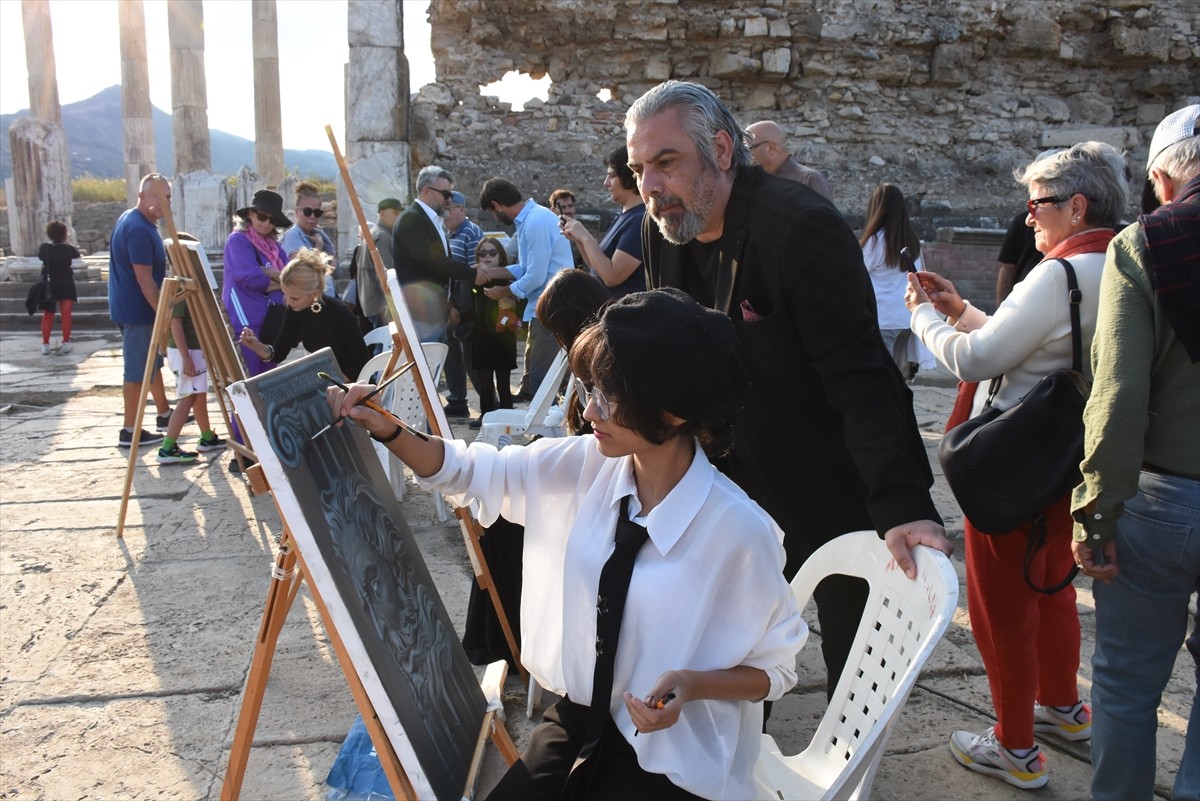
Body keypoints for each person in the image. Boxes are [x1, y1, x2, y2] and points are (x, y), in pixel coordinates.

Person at [329, 288, 807, 801]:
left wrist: (690, 685)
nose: (590, 407)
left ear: (670, 413)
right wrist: (385, 427)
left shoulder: (738, 531)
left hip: (675, 752)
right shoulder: (587, 465)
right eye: (590, 387)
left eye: (610, 394)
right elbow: (468, 468)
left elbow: (775, 668)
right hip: (583, 719)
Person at [627, 80, 949, 699]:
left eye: (666, 163)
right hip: (728, 482)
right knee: (726, 643)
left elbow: (859, 372)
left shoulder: (799, 226)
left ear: (722, 150)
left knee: (856, 659)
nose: (651, 187)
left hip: (826, 477)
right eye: (641, 169)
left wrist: (902, 500)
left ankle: (849, 772)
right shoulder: (659, 228)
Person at [905, 141, 1129, 790]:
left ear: (1076, 205)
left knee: (1001, 608)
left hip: (1015, 461)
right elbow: (1030, 345)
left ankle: (1015, 746)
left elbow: (977, 362)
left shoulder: (1057, 274)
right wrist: (962, 311)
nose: (1028, 217)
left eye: (1037, 204)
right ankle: (1062, 706)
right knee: (1052, 586)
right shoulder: (1116, 262)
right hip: (1066, 462)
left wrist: (923, 319)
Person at [1070, 104, 1200, 801]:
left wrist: (1094, 512)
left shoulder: (1146, 243)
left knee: (1123, 679)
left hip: (1160, 499)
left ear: (1161, 179)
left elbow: (1117, 396)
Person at [477, 178, 574, 401]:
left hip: (552, 305)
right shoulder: (530, 219)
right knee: (535, 368)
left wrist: (505, 291)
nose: (495, 218)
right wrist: (492, 272)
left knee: (543, 376)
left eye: (493, 213)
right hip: (544, 305)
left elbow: (535, 276)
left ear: (497, 205)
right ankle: (533, 407)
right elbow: (525, 267)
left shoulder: (535, 222)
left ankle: (542, 432)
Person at [108, 173, 177, 449]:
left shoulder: (138, 220)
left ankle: (164, 413)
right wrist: (164, 313)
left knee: (152, 365)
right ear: (141, 197)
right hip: (137, 311)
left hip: (132, 307)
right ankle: (130, 430)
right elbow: (144, 279)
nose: (163, 202)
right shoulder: (137, 228)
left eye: (168, 197)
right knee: (137, 372)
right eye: (156, 196)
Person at [239, 248, 372, 382]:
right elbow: (279, 352)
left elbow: (361, 361)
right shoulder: (296, 310)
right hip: (327, 381)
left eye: (295, 298)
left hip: (354, 384)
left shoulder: (339, 312)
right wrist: (257, 346)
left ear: (314, 294)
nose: (289, 302)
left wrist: (334, 384)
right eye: (285, 294)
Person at [392, 166, 477, 344]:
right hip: (420, 316)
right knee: (426, 368)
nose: (449, 200)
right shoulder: (412, 219)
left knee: (441, 365)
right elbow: (434, 261)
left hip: (437, 312)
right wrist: (473, 274)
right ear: (426, 191)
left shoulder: (434, 220)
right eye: (446, 194)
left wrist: (449, 304)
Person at [858, 183, 931, 381]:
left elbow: (856, 274)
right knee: (899, 376)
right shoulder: (912, 242)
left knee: (882, 376)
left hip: (883, 317)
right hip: (906, 317)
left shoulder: (874, 242)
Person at [560, 146, 647, 299]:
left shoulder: (639, 220)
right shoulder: (625, 216)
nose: (606, 183)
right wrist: (579, 239)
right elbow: (597, 268)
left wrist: (585, 236)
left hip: (629, 317)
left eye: (612, 176)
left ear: (628, 177)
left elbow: (612, 276)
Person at [222, 189, 291, 377]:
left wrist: (268, 272)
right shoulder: (237, 241)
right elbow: (253, 279)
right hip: (245, 325)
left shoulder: (274, 246)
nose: (267, 223)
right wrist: (280, 278)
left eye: (273, 220)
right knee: (247, 384)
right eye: (262, 216)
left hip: (272, 323)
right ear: (250, 214)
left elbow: (292, 278)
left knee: (265, 384)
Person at [156, 289, 227, 464]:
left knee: (198, 395)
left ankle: (207, 436)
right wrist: (186, 357)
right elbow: (175, 324)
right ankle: (168, 447)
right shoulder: (180, 290)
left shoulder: (190, 286)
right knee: (188, 398)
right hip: (186, 352)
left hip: (193, 350)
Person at [468, 238, 519, 428]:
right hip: (481, 337)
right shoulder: (474, 278)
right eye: (483, 253)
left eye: (492, 253)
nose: (487, 256)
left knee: (504, 383)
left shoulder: (509, 280)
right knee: (484, 383)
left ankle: (507, 416)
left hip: (503, 338)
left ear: (500, 256)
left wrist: (513, 302)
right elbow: (469, 304)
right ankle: (486, 416)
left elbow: (522, 304)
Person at [444, 190, 484, 418]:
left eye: (449, 208)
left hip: (465, 307)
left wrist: (461, 307)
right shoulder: (449, 234)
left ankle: (490, 405)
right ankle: (457, 400)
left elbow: (474, 276)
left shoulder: (471, 233)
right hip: (452, 305)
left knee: (471, 360)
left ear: (461, 209)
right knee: (452, 356)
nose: (446, 213)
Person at [745, 120, 835, 204]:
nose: (744, 153)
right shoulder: (754, 183)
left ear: (770, 148)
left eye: (748, 148)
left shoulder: (809, 179)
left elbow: (825, 220)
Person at [280, 182, 337, 296]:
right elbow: (303, 270)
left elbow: (335, 266)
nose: (312, 217)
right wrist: (319, 247)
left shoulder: (318, 234)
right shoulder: (293, 236)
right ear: (297, 212)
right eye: (307, 212)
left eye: (317, 212)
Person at [355, 197, 403, 330]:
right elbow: (386, 275)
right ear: (382, 214)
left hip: (376, 302)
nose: (399, 217)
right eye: (395, 213)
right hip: (382, 305)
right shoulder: (381, 236)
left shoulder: (376, 233)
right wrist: (396, 305)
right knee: (387, 346)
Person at [38, 220, 80, 355]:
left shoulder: (44, 248)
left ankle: (45, 344)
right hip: (66, 282)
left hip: (50, 283)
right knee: (66, 314)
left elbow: (40, 257)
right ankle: (66, 342)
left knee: (48, 314)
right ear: (64, 234)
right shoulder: (69, 249)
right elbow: (76, 254)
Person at [994, 211, 1042, 306]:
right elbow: (1007, 266)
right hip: (1022, 301)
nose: (1029, 221)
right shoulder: (1022, 221)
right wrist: (1002, 307)